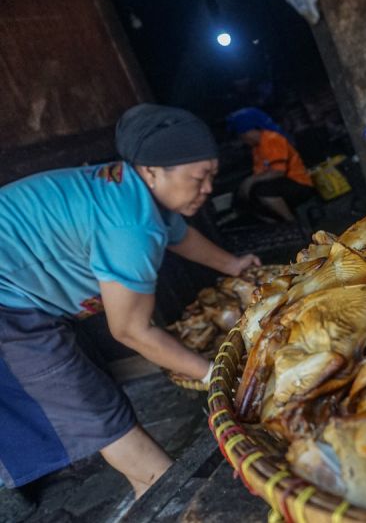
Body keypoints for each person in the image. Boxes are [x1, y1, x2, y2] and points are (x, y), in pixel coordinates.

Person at [0, 104, 260, 499]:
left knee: (93, 401)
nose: (208, 188)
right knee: (93, 405)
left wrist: (233, 265)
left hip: (18, 292)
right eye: (199, 177)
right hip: (8, 304)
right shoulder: (131, 226)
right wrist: (213, 376)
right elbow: (130, 331)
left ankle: (155, 486)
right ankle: (160, 488)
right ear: (153, 172)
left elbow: (178, 235)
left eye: (212, 175)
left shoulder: (132, 187)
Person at [227, 107, 316, 222]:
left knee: (264, 191)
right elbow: (260, 172)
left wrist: (250, 181)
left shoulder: (272, 139)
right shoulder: (257, 148)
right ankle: (275, 223)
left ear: (250, 130)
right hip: (283, 183)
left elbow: (278, 172)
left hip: (298, 183)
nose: (242, 139)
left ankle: (292, 222)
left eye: (242, 135)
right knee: (245, 197)